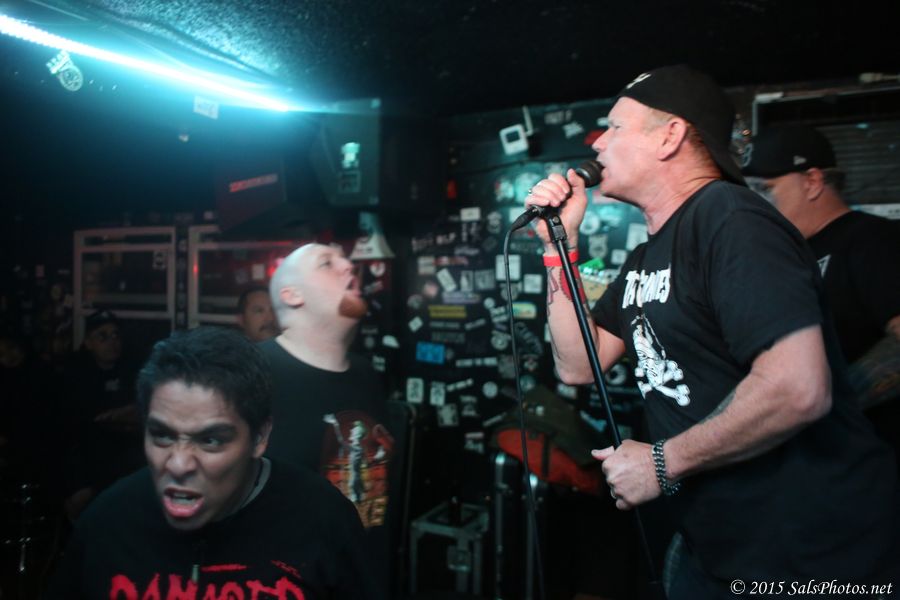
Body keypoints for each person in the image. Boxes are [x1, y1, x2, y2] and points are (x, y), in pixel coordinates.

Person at [525, 65, 898, 596]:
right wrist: (557, 247)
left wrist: (661, 463)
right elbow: (577, 364)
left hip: (810, 553)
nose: (598, 142)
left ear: (670, 136)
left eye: (615, 127)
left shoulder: (731, 219)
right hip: (718, 543)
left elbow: (798, 387)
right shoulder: (646, 257)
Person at [46, 326, 377, 599]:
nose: (178, 465)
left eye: (211, 440)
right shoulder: (108, 522)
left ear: (259, 437)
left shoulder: (322, 519)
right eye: (162, 436)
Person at [260, 243, 395, 594]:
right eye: (326, 263)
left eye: (343, 259)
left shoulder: (365, 374)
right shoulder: (253, 374)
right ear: (292, 295)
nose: (349, 265)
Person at [741, 124, 900, 401]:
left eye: (765, 189)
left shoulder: (873, 239)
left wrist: (837, 405)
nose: (758, 203)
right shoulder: (785, 251)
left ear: (812, 182)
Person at [58, 310, 144, 520]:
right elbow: (72, 429)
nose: (112, 342)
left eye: (115, 335)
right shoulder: (75, 375)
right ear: (88, 343)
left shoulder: (132, 370)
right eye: (102, 336)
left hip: (125, 457)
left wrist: (131, 411)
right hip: (85, 456)